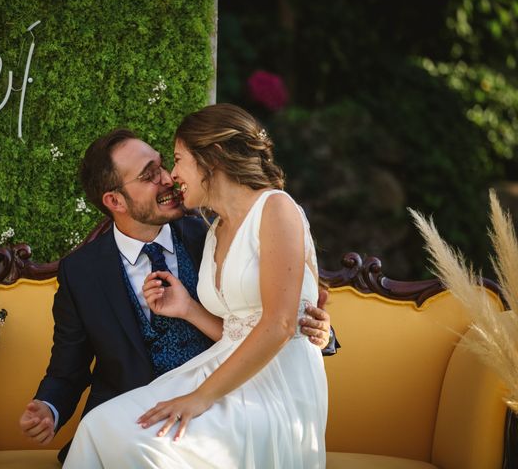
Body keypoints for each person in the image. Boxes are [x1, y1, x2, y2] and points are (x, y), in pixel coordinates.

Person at [19, 126, 334, 463]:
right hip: (137, 412)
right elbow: (68, 369)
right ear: (115, 201)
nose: (168, 178)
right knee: (105, 434)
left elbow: (277, 312)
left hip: (222, 400)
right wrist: (48, 408)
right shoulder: (81, 273)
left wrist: (320, 332)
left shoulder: (211, 233)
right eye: (149, 175)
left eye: (162, 164)